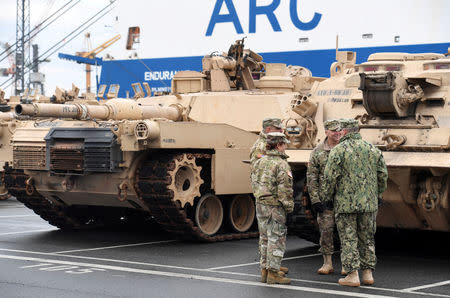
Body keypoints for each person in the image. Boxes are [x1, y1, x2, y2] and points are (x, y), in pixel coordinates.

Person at [323, 119, 388, 287]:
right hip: (369, 203)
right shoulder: (373, 149)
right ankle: (368, 274)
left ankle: (352, 275)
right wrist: (378, 194)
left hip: (345, 204)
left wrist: (327, 198)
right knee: (367, 238)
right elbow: (382, 175)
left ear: (344, 132)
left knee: (348, 239)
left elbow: (330, 178)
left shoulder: (338, 151)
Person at [251, 132, 294, 285]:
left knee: (264, 238)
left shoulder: (260, 161)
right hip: (275, 206)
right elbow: (284, 190)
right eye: (284, 144)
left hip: (260, 203)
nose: (286, 147)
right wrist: (289, 206)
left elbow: (254, 181)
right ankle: (273, 273)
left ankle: (264, 270)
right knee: (276, 238)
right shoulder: (281, 164)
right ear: (278, 145)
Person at [306, 119, 341, 275]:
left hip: (345, 199)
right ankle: (327, 262)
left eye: (339, 130)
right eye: (333, 131)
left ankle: (348, 264)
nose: (337, 133)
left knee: (347, 232)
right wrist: (315, 200)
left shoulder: (345, 149)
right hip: (326, 200)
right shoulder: (317, 151)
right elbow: (311, 177)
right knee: (326, 231)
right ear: (326, 132)